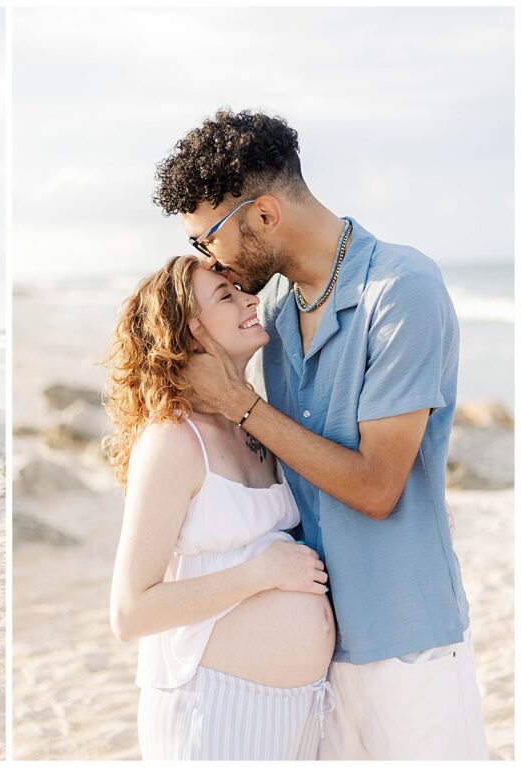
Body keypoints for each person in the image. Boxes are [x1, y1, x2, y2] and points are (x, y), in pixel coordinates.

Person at [152, 108, 487, 759]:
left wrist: (245, 406)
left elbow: (377, 485)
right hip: (320, 664)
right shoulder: (273, 313)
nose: (209, 258)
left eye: (208, 238)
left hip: (408, 648)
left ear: (265, 215)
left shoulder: (402, 291)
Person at [106, 255, 336, 760]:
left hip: (298, 708)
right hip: (211, 708)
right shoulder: (174, 441)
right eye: (226, 297)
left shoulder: (255, 421)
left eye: (241, 290)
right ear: (189, 333)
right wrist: (260, 574)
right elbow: (129, 612)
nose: (251, 300)